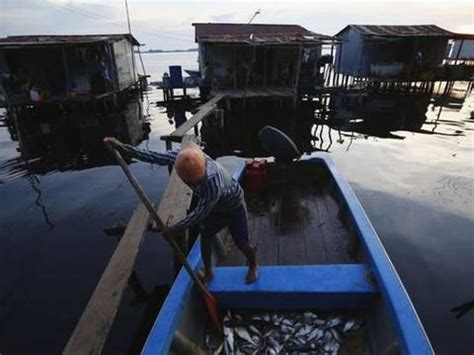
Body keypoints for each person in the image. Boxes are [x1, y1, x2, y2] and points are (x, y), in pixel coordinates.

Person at [103, 137, 258, 284]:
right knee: (205, 235)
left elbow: (198, 215)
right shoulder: (183, 158)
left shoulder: (213, 184)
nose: (190, 184)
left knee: (242, 242)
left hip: (233, 207)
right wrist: (122, 147)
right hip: (216, 208)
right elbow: (153, 156)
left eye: (194, 182)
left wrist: (174, 229)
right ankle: (209, 272)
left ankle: (253, 266)